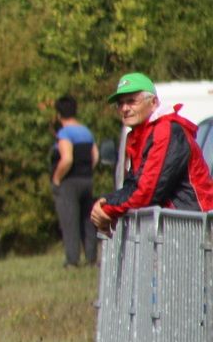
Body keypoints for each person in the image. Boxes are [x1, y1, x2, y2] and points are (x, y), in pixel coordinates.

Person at [90, 72, 213, 236]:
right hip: (178, 232)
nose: (125, 108)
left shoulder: (166, 130)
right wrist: (105, 203)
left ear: (153, 102)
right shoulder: (139, 135)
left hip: (197, 231)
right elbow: (132, 185)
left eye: (131, 101)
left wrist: (106, 209)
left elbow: (147, 191)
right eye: (120, 104)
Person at [51, 95, 99, 267]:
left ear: (58, 114)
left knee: (69, 221)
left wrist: (57, 178)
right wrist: (86, 172)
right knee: (87, 220)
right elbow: (95, 157)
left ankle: (72, 260)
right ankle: (92, 258)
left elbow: (67, 159)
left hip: (69, 182)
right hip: (87, 180)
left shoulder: (65, 133)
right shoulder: (86, 131)